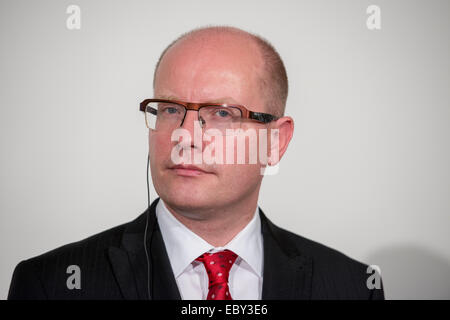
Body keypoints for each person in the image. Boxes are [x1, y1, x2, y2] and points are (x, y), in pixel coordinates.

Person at [8, 25, 384, 300]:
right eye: (170, 109)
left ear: (275, 140)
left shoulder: (351, 286)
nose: (184, 135)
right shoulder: (52, 284)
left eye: (221, 113)